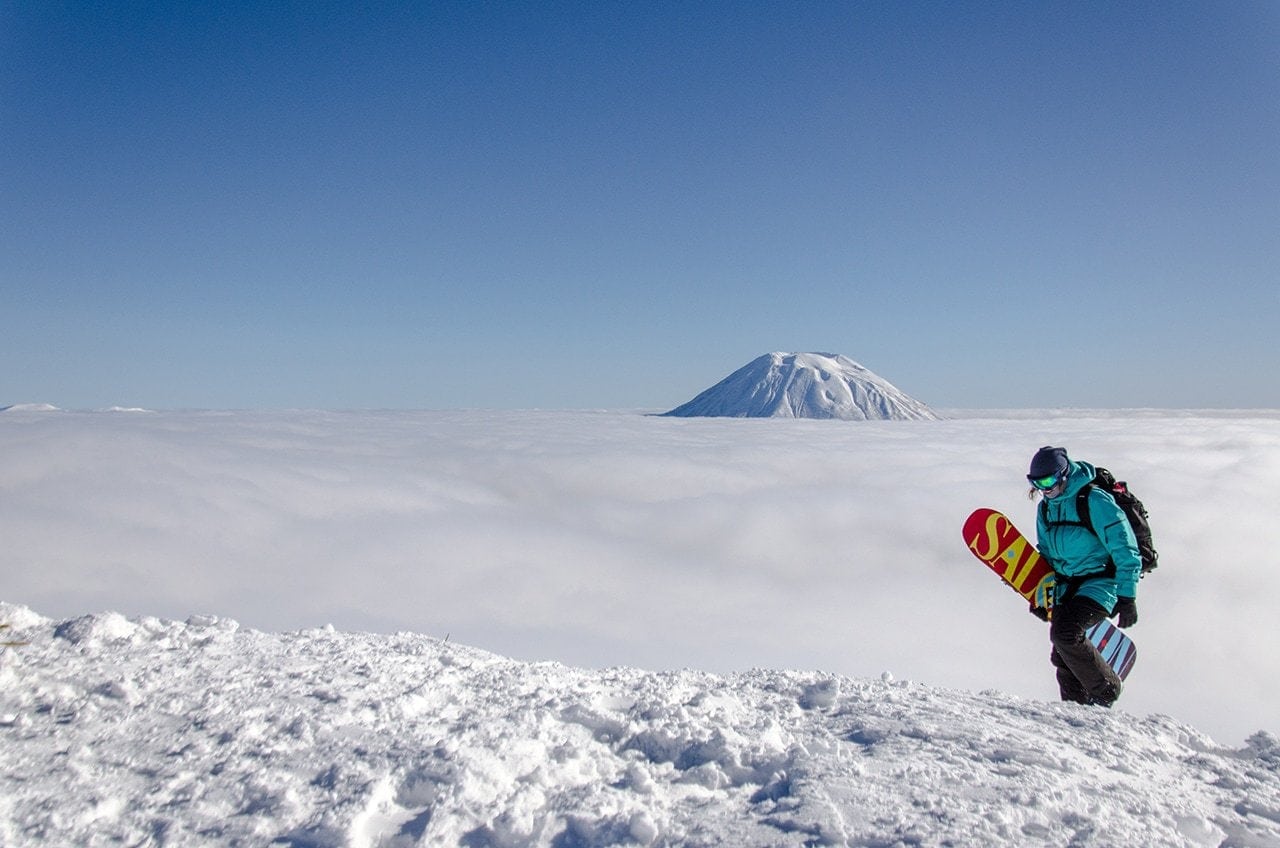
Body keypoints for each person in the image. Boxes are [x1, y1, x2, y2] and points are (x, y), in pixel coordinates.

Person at [1026, 445, 1141, 707]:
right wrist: (1042, 596)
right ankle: (1076, 709)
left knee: (1066, 633)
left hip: (1102, 583)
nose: (1044, 488)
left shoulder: (1093, 501)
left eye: (1048, 481)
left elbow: (1125, 548)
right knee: (1062, 654)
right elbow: (1047, 554)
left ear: (1064, 474)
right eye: (1036, 482)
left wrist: (1127, 596)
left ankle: (1106, 689)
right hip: (1069, 586)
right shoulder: (1046, 509)